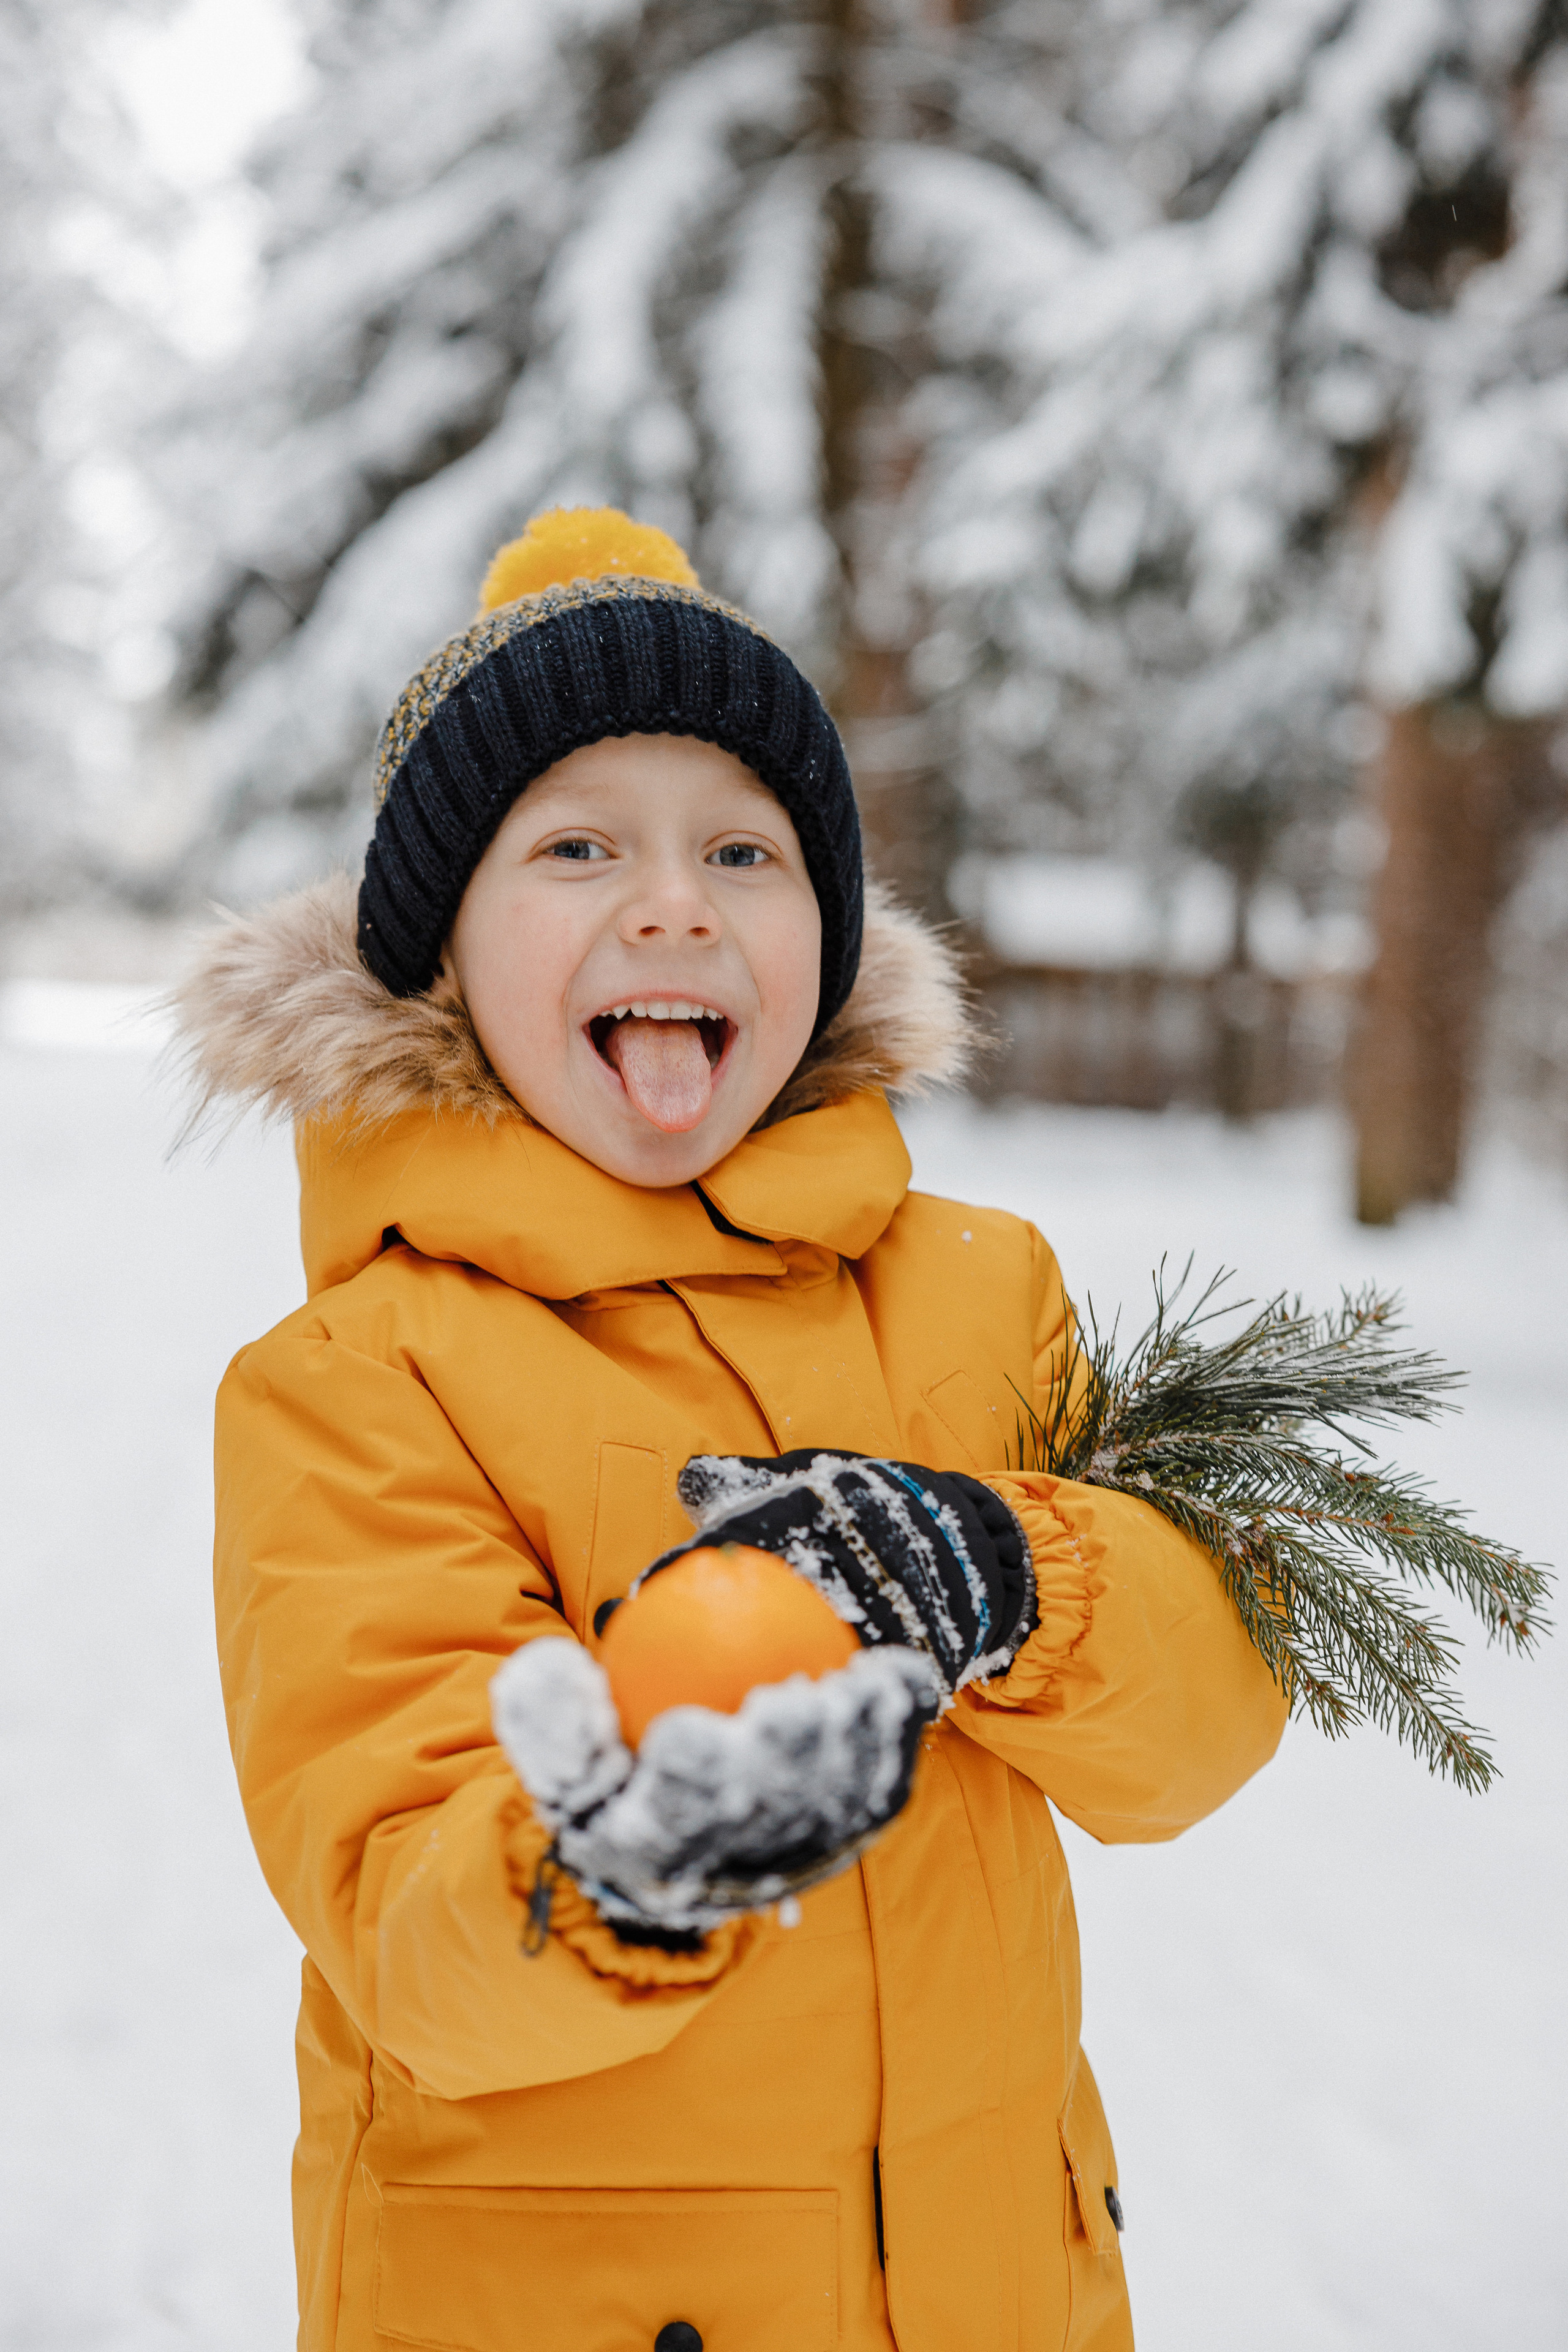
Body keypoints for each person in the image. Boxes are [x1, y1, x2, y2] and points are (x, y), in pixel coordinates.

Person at [179, 506, 1286, 2352]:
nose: (675, 901)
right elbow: (405, 1915)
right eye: (579, 845)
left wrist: (1019, 1574)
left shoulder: (986, 1293)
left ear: (829, 936)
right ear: (439, 946)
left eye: (746, 850)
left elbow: (1193, 1738)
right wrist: (613, 1863)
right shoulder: (363, 1378)